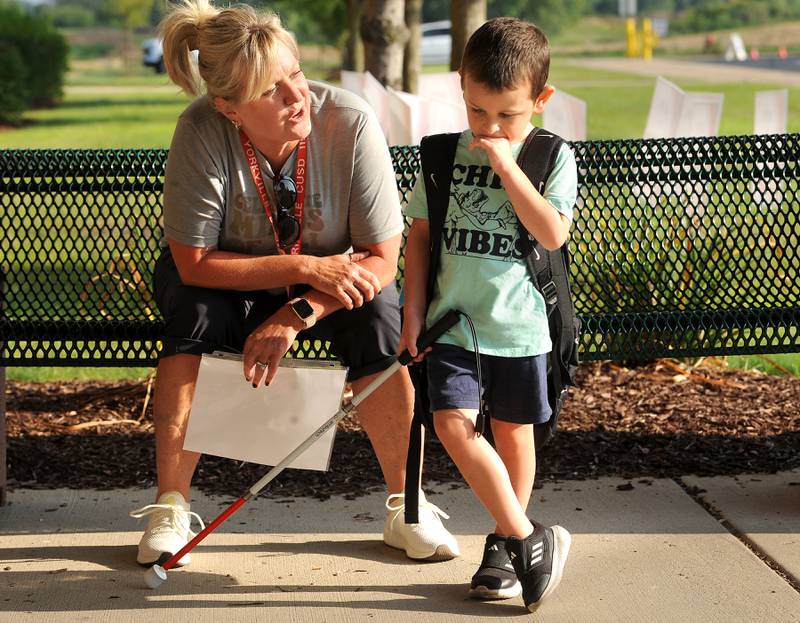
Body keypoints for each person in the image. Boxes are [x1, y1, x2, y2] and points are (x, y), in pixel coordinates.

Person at [129, 0, 459, 568]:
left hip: (331, 286)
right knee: (195, 320)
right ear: (229, 107)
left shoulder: (350, 120)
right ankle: (170, 508)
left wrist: (297, 312)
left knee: (380, 320)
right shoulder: (201, 129)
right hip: (226, 277)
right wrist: (305, 266)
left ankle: (408, 509)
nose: (295, 96)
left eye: (296, 74)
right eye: (270, 90)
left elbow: (382, 258)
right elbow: (195, 264)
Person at [399, 18, 576, 612]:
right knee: (452, 424)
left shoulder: (551, 157)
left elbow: (551, 232)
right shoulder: (442, 157)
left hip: (521, 327)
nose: (490, 127)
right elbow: (419, 241)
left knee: (513, 434)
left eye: (507, 114)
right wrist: (412, 315)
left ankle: (504, 540)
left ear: (541, 102)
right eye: (478, 111)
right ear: (461, 87)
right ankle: (529, 538)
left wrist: (507, 165)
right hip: (452, 325)